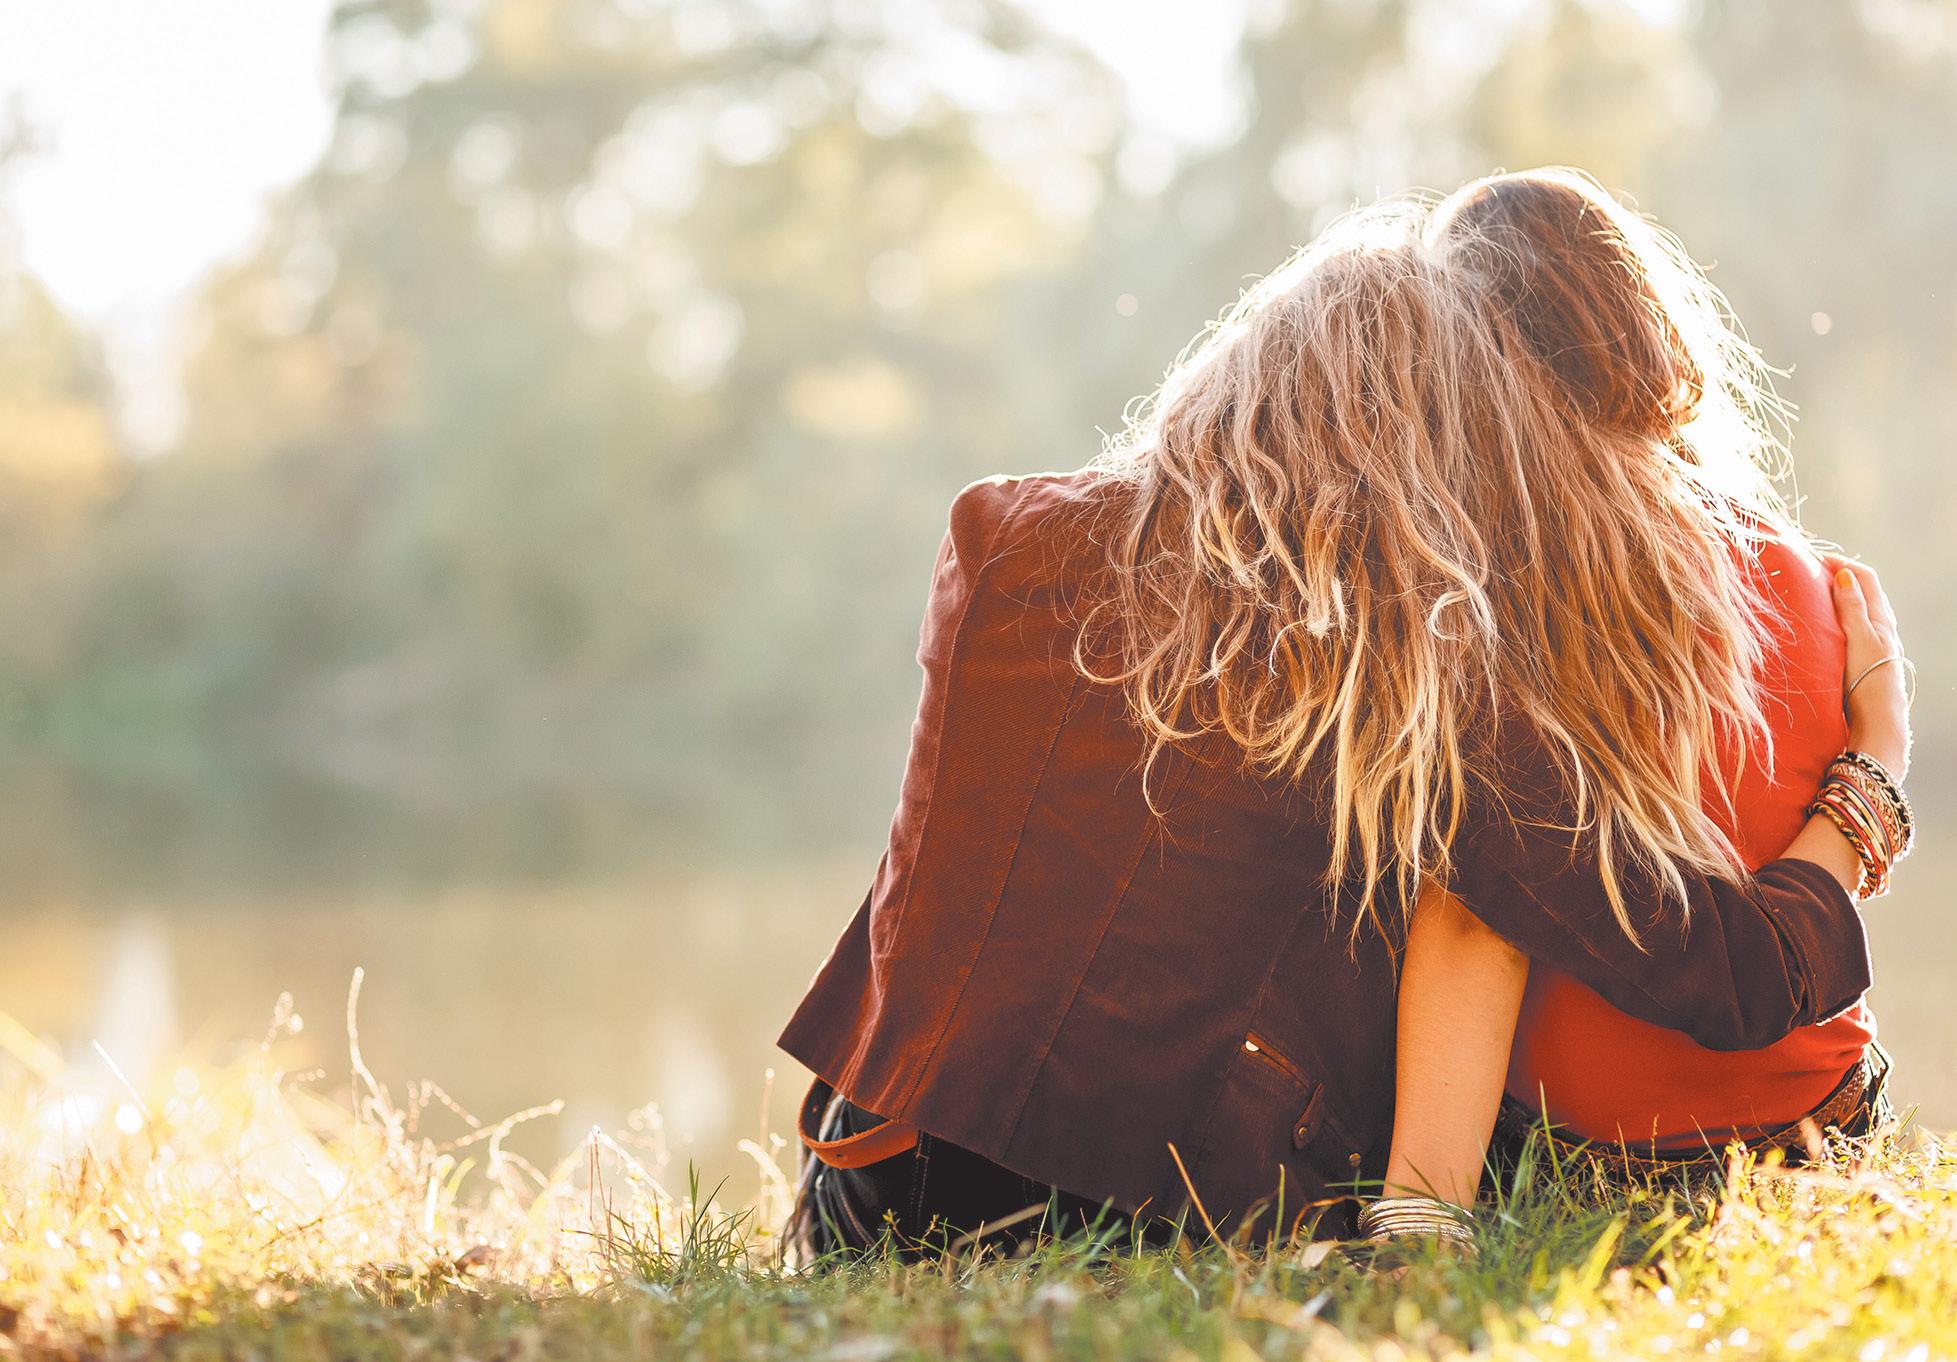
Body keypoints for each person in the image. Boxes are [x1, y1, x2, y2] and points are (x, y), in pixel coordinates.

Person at [777, 192, 1907, 1259]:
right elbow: (1732, 977)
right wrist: (1874, 770)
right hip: (1158, 1212)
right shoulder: (1409, 654)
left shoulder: (1000, 535)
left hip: (872, 1178)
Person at [1372, 170, 1911, 1238]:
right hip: (1817, 1123)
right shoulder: (1805, 574)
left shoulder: (1494, 592)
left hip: (1591, 1159)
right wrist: (1882, 759)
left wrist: (1420, 1222)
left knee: (1446, 862)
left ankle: (1422, 1214)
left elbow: (1479, 920)